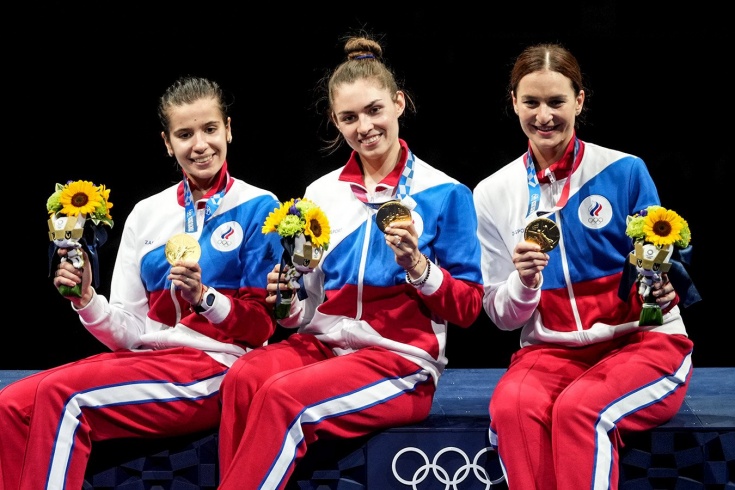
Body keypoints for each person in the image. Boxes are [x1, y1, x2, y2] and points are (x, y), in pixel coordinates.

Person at [217, 34, 484, 489]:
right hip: (321, 348)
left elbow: (469, 308)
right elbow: (306, 309)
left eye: (374, 110)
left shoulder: (446, 193)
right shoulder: (320, 193)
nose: (365, 127)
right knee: (243, 377)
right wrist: (286, 300)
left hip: (399, 361)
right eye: (349, 117)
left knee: (284, 399)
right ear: (335, 121)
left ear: (398, 103)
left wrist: (419, 268)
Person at [0, 76, 281, 489]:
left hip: (219, 367)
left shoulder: (260, 206)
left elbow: (262, 328)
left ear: (228, 129)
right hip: (149, 362)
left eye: (209, 129)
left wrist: (204, 298)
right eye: (184, 134)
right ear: (167, 143)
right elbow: (129, 332)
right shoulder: (146, 213)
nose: (199, 145)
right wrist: (86, 299)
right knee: (10, 404)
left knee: (66, 398)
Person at [473, 43, 698, 489]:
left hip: (641, 344)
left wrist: (665, 287)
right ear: (513, 102)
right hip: (550, 352)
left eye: (556, 101)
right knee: (511, 408)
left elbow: (662, 264)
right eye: (531, 102)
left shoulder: (624, 171)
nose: (544, 116)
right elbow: (501, 315)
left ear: (579, 101)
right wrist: (524, 282)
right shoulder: (492, 193)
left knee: (580, 409)